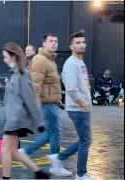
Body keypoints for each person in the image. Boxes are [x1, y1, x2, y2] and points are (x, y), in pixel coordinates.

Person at [0, 42, 49, 179]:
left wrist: (39, 122)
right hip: (12, 118)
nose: (4, 60)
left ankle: (6, 178)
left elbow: (30, 99)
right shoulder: (13, 75)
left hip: (16, 119)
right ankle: (38, 172)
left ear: (14, 57)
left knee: (5, 150)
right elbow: (14, 93)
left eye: (6, 57)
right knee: (13, 151)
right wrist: (0, 87)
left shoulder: (23, 74)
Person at [18, 33, 72, 177]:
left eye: (56, 41)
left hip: (51, 102)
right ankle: (56, 164)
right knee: (56, 133)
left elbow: (51, 83)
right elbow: (36, 84)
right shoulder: (41, 60)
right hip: (46, 104)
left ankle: (25, 152)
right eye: (51, 41)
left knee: (51, 133)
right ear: (44, 43)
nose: (54, 43)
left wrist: (58, 98)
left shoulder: (50, 60)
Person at [51, 31, 93, 180]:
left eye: (83, 42)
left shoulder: (80, 62)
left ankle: (58, 158)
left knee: (85, 139)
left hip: (82, 108)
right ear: (71, 46)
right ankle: (81, 174)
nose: (81, 45)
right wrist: (83, 104)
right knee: (85, 140)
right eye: (78, 42)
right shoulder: (70, 63)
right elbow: (71, 89)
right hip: (78, 108)